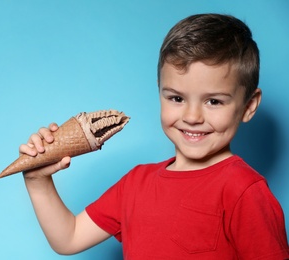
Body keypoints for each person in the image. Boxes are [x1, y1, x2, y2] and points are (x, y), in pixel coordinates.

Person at [19, 14, 289, 259]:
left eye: (214, 102)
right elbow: (68, 238)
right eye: (177, 98)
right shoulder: (136, 184)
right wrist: (37, 180)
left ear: (249, 106)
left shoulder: (244, 191)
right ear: (160, 92)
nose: (192, 116)